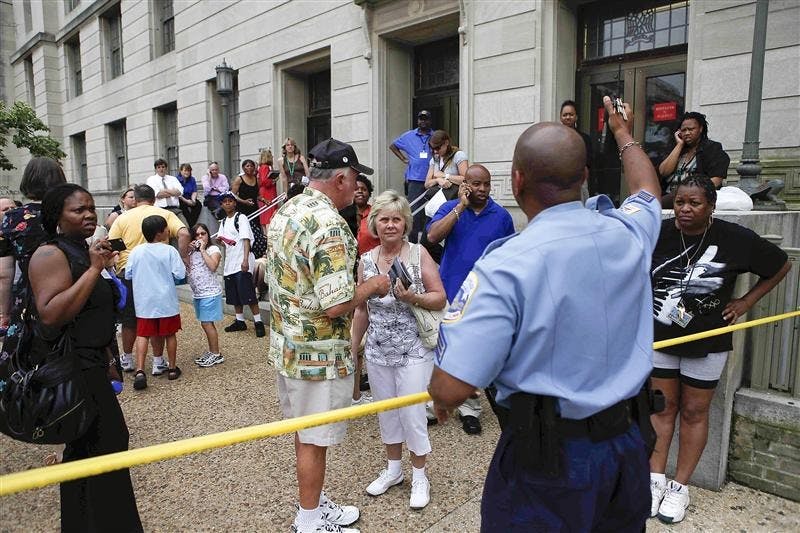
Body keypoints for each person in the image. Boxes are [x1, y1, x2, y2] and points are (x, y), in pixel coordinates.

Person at [429, 96, 663, 531]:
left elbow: (449, 388)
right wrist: (623, 133)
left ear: (517, 181)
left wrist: (443, 393)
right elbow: (647, 191)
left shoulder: (505, 266)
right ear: (585, 177)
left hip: (548, 463)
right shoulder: (627, 233)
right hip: (628, 446)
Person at [648, 175, 790, 524]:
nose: (684, 209)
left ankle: (679, 487)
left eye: (694, 203)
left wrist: (745, 302)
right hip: (661, 337)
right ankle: (653, 480)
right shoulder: (659, 233)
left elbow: (781, 265)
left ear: (710, 206)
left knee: (695, 411)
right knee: (661, 408)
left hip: (709, 339)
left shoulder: (734, 237)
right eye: (680, 202)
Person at [267, 138, 391, 533]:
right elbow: (336, 305)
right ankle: (309, 522)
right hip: (316, 356)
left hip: (288, 345)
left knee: (306, 434)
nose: (357, 186)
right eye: (355, 178)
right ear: (339, 178)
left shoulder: (289, 209)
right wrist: (374, 285)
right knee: (313, 440)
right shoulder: (329, 224)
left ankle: (316, 507)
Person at [29, 183, 142, 532]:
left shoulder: (82, 250)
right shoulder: (50, 254)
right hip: (73, 369)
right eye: (78, 210)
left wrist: (101, 266)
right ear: (57, 217)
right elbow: (50, 313)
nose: (89, 214)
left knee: (97, 448)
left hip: (94, 364)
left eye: (91, 208)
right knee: (101, 445)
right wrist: (94, 270)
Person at [351, 190, 446, 510]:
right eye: (384, 219)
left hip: (413, 351)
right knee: (387, 413)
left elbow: (440, 297)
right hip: (378, 351)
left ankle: (420, 474)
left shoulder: (419, 254)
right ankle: (393, 470)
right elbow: (361, 309)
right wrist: (354, 346)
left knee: (413, 414)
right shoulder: (366, 260)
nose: (390, 224)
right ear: (374, 223)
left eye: (396, 219)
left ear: (405, 222)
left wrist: (412, 298)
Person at [425, 164, 515, 435]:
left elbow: (508, 255)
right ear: (465, 185)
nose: (483, 190)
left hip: (483, 295)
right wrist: (460, 208)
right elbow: (432, 236)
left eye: (486, 184)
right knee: (441, 349)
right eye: (476, 184)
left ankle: (469, 409)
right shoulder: (452, 208)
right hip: (449, 289)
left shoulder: (501, 216)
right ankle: (434, 404)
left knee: (474, 352)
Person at [108, 184, 189, 375]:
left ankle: (128, 359)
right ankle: (159, 360)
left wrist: (116, 261)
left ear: (135, 199)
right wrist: (184, 257)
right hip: (160, 274)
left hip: (130, 270)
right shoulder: (164, 214)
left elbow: (112, 245)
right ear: (154, 199)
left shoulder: (123, 217)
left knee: (131, 321)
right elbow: (184, 233)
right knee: (159, 320)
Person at [0, 157, 66, 343]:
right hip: (69, 287)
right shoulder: (69, 211)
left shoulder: (12, 218)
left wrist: (4, 312)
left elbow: (5, 273)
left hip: (29, 292)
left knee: (26, 349)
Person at [125, 215, 186, 390]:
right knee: (170, 334)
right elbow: (180, 274)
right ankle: (172, 368)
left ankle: (139, 370)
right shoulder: (169, 251)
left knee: (143, 334)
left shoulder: (136, 251)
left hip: (144, 300)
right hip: (166, 300)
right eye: (166, 228)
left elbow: (128, 274)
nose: (168, 231)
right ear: (160, 233)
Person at [217, 191, 265, 337]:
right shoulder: (224, 221)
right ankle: (239, 320)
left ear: (234, 202)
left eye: (230, 201)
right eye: (224, 201)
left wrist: (245, 260)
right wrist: (220, 241)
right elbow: (223, 240)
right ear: (221, 204)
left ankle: (258, 321)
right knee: (234, 293)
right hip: (231, 261)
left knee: (247, 292)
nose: (227, 203)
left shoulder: (241, 217)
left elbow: (246, 239)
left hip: (241, 260)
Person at [658, 111, 730, 208]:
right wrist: (679, 145)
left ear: (700, 129)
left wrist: (691, 192)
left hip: (691, 196)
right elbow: (663, 171)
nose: (687, 133)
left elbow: (716, 181)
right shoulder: (677, 150)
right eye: (683, 130)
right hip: (668, 194)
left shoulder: (712, 149)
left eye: (691, 129)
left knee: (653, 205)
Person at [389, 110, 433, 243]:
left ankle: (427, 242)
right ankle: (413, 242)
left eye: (425, 119)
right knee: (413, 212)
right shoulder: (408, 136)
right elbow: (393, 146)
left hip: (431, 180)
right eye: (421, 119)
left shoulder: (435, 135)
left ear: (430, 121)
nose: (423, 121)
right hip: (414, 180)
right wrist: (403, 159)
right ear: (417, 120)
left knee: (429, 211)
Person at [187, 223, 224, 367]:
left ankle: (216, 353)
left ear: (208, 235)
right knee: (205, 323)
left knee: (207, 323)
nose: (200, 237)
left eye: (203, 233)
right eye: (197, 234)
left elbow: (213, 266)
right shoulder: (192, 252)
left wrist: (202, 250)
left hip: (210, 292)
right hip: (199, 293)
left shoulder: (213, 249)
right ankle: (212, 351)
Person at [231, 159, 267, 258]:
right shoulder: (239, 179)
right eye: (247, 166)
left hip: (254, 208)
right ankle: (244, 252)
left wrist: (265, 200)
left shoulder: (256, 179)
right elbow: (232, 195)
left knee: (256, 232)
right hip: (242, 209)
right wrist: (244, 201)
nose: (249, 168)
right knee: (246, 231)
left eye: (251, 166)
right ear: (243, 168)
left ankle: (255, 254)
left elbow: (258, 195)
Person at [560, 100, 593, 201]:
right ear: (560, 117)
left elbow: (588, 162)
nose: (568, 117)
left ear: (576, 117)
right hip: (560, 182)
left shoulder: (584, 138)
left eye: (571, 114)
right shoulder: (555, 138)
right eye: (565, 115)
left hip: (579, 182)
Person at [146, 158, 187, 225]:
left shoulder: (173, 179)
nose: (161, 169)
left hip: (175, 210)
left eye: (163, 167)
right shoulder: (151, 180)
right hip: (160, 210)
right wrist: (173, 192)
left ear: (166, 168)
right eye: (158, 167)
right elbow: (158, 194)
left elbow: (180, 192)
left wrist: (164, 190)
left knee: (185, 227)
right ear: (156, 169)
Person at [199, 161, 230, 234]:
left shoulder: (222, 177)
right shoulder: (205, 177)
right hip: (210, 198)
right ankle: (219, 216)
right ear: (209, 171)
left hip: (221, 196)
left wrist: (216, 189)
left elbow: (226, 188)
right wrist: (209, 178)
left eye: (216, 169)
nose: (215, 171)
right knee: (218, 206)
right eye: (212, 170)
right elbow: (207, 190)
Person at [257, 148, 279, 234]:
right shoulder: (265, 167)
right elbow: (265, 181)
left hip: (264, 192)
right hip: (268, 192)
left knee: (265, 216)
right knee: (269, 216)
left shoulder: (261, 167)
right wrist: (273, 180)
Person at [177, 163, 201, 227]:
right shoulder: (176, 180)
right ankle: (191, 225)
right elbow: (178, 194)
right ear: (181, 171)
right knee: (183, 207)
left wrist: (193, 200)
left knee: (198, 204)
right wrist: (187, 201)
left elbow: (194, 191)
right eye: (185, 170)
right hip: (181, 199)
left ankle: (192, 224)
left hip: (190, 198)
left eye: (189, 171)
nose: (187, 172)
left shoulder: (192, 179)